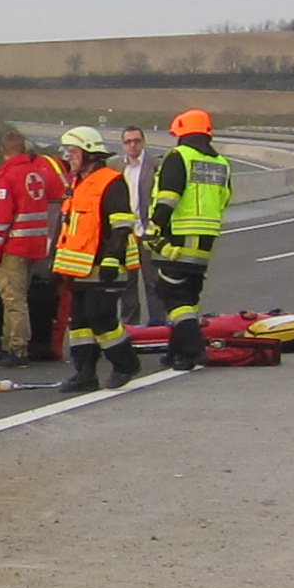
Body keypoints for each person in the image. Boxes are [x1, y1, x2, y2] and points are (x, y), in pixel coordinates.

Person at [48, 125, 143, 395]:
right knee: (79, 322)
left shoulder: (111, 181)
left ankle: (126, 364)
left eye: (73, 152)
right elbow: (68, 228)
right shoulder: (77, 184)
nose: (68, 157)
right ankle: (85, 373)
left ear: (89, 153)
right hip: (78, 268)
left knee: (100, 317)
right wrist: (55, 263)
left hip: (105, 266)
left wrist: (112, 258)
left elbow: (121, 224)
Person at [143, 108, 233, 372]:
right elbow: (225, 197)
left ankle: (194, 349)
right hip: (207, 236)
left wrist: (154, 226)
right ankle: (177, 352)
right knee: (188, 294)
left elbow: (168, 196)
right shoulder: (221, 162)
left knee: (171, 293)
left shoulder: (178, 156)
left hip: (180, 233)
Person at [0, 124, 63, 364]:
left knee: (13, 300)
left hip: (14, 247)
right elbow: (57, 194)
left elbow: (2, 218)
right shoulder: (37, 173)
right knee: (18, 298)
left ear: (3, 151)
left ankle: (17, 348)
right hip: (35, 246)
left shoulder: (7, 177)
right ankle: (9, 345)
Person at [115, 123, 156, 328]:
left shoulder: (155, 165)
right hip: (126, 234)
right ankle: (131, 326)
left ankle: (157, 324)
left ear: (144, 142)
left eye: (136, 141)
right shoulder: (114, 167)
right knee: (127, 283)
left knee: (152, 282)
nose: (133, 145)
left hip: (148, 232)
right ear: (123, 145)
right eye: (128, 142)